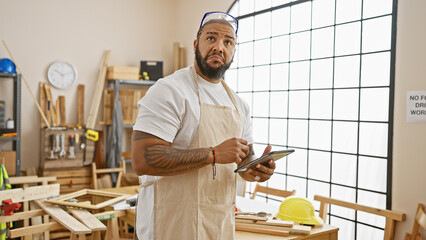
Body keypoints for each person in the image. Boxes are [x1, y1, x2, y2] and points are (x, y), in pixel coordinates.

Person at [131, 11, 276, 240]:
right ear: (196, 44)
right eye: (211, 38)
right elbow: (143, 159)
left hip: (218, 224)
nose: (219, 47)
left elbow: (244, 157)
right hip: (170, 223)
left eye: (228, 42)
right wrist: (213, 154)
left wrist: (255, 169)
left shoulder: (239, 104)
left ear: (233, 52)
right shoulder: (169, 90)